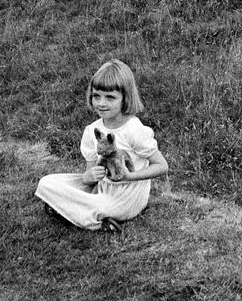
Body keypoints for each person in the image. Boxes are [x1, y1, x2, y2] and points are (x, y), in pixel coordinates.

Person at [35, 59, 169, 232]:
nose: (101, 103)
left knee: (101, 205)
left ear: (125, 98)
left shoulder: (134, 130)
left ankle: (84, 215)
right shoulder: (93, 130)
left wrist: (128, 176)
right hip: (102, 190)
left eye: (110, 97)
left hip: (127, 196)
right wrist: (88, 176)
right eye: (96, 96)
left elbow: (162, 166)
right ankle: (85, 213)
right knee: (46, 183)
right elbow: (91, 176)